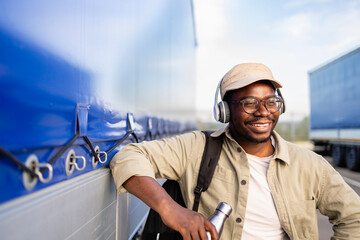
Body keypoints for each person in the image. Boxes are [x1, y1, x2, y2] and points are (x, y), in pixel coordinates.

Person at [110, 63, 360, 239]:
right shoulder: (197, 148)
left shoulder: (309, 164)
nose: (263, 111)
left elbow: (353, 217)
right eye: (249, 103)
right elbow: (128, 156)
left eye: (271, 102)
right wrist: (169, 208)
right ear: (224, 111)